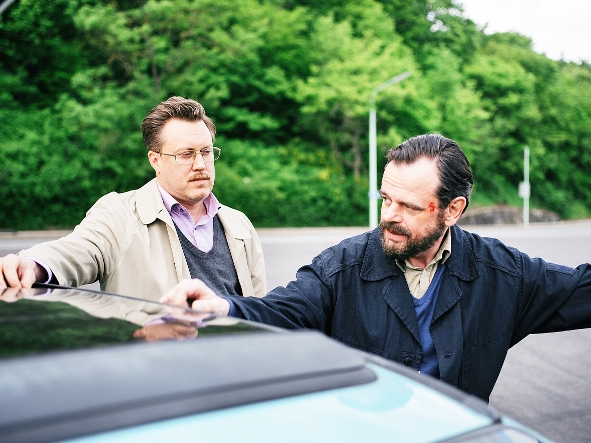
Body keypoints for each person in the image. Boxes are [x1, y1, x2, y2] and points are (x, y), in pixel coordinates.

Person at [160, 133, 591, 402]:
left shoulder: (502, 274)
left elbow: (580, 291)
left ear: (453, 209)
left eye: (409, 206)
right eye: (386, 199)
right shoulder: (341, 267)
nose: (389, 216)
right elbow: (285, 308)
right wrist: (224, 307)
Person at [0, 96, 266, 301]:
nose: (200, 164)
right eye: (186, 154)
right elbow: (74, 252)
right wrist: (31, 265)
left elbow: (260, 309)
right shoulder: (118, 215)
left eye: (206, 152)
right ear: (155, 160)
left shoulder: (239, 225)